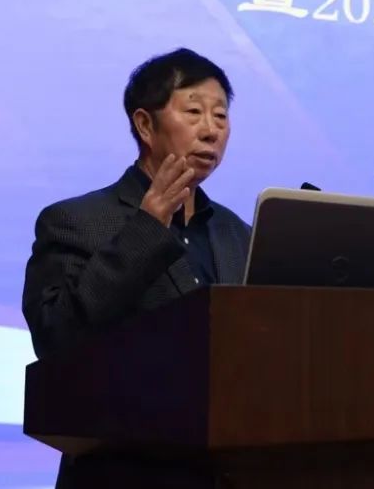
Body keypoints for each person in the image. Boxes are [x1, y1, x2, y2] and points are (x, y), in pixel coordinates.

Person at [21, 48, 251, 487]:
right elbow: (56, 338)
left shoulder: (237, 233)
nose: (210, 130)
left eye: (221, 116)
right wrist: (147, 227)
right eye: (194, 112)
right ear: (145, 125)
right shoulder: (74, 221)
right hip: (121, 472)